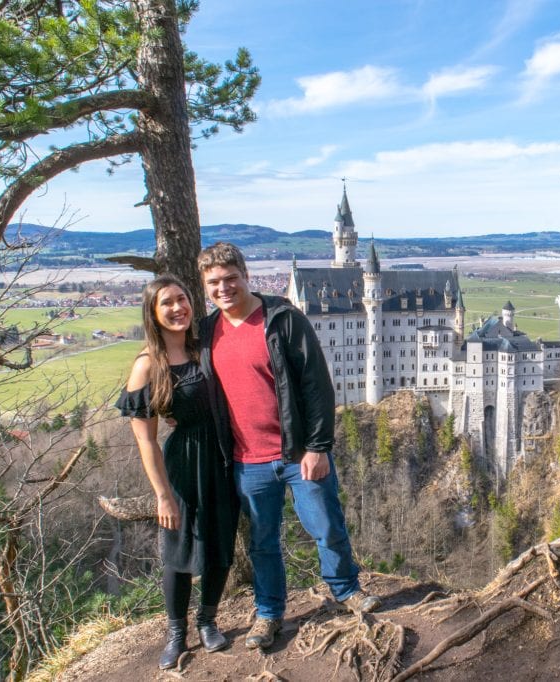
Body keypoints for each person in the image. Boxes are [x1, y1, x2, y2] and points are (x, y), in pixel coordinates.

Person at [196, 242, 380, 650]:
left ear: (246, 275)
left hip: (298, 452)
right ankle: (269, 612)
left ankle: (345, 589)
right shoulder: (208, 332)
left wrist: (317, 446)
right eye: (214, 282)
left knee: (326, 526)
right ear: (205, 287)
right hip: (247, 458)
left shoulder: (281, 318)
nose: (223, 288)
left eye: (230, 278)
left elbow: (316, 384)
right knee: (262, 541)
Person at [116, 274, 239, 670]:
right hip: (183, 463)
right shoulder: (148, 365)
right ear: (153, 312)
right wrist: (163, 494)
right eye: (167, 302)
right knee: (179, 550)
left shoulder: (204, 347)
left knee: (220, 544)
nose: (177, 308)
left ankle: (207, 620)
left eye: (182, 299)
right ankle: (176, 633)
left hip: (221, 456)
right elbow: (146, 441)